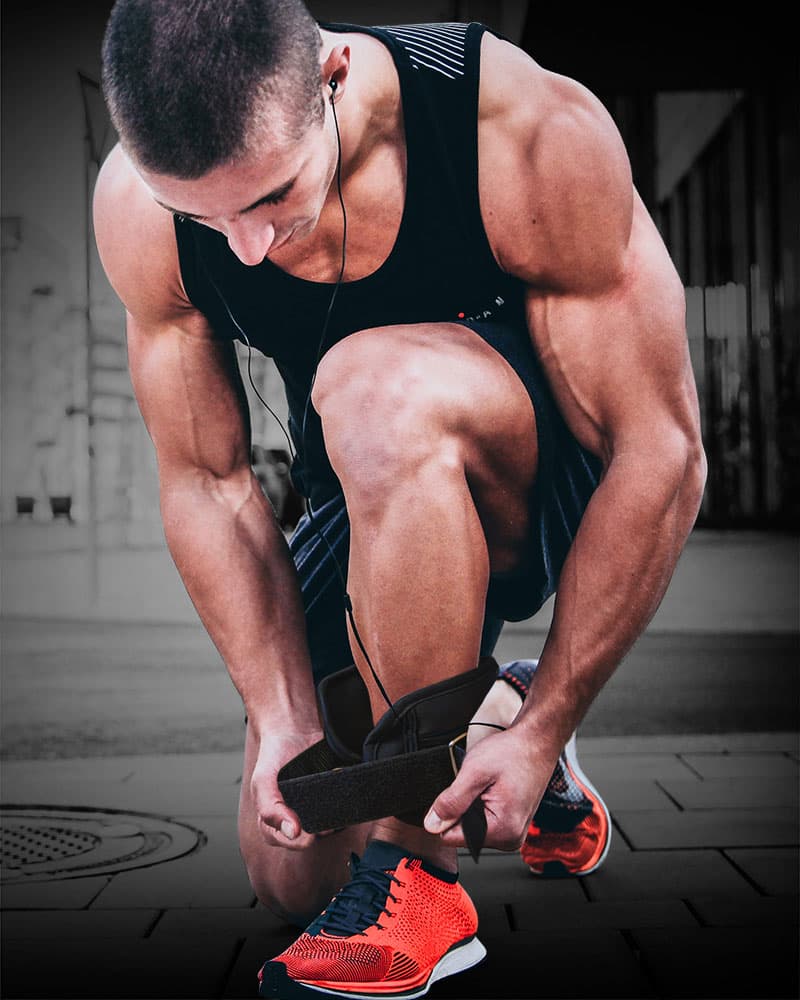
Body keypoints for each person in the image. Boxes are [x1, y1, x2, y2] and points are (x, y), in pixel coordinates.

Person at [95, 2, 706, 996]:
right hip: (365, 495)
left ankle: (424, 880)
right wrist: (281, 709)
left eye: (274, 196)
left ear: (333, 74)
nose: (245, 248)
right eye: (207, 219)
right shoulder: (137, 209)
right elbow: (205, 480)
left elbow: (661, 449)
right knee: (290, 874)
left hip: (530, 484)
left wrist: (555, 711)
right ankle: (487, 719)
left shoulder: (514, 127)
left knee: (370, 384)